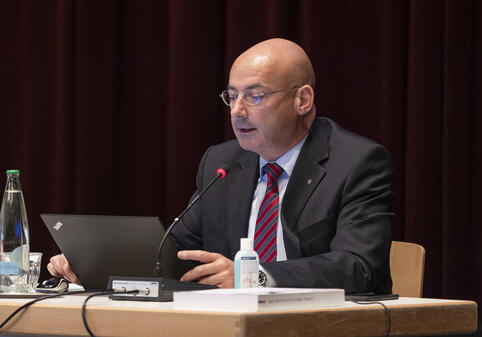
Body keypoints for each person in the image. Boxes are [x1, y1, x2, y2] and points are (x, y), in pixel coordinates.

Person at [48, 38, 394, 294]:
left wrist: (254, 276)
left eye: (255, 96)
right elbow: (175, 253)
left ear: (302, 100)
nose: (237, 110)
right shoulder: (223, 162)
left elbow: (358, 267)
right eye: (232, 95)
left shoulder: (356, 163)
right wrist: (92, 265)